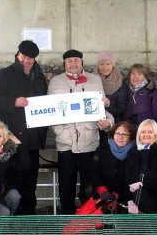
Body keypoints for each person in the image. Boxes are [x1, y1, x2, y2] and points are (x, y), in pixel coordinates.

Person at [0, 40, 48, 215]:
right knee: (14, 179)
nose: (26, 60)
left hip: (33, 138)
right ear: (17, 55)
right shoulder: (3, 75)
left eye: (30, 58)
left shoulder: (40, 77)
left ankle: (29, 214)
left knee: (31, 178)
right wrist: (13, 102)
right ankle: (13, 215)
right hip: (11, 138)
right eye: (24, 56)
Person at [48, 49, 113, 214]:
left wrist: (107, 122)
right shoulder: (55, 81)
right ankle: (68, 215)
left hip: (89, 139)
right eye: (69, 61)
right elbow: (49, 110)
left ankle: (88, 214)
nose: (73, 64)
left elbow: (101, 109)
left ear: (82, 62)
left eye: (76, 60)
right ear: (64, 64)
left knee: (89, 182)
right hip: (66, 142)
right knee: (66, 182)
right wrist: (59, 130)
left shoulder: (94, 80)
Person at [125, 119, 157, 214]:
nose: (146, 135)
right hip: (134, 198)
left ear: (156, 134)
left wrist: (143, 184)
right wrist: (129, 201)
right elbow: (127, 180)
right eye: (143, 132)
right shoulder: (133, 153)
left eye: (150, 132)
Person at [90, 121, 136, 212]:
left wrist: (128, 199)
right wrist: (102, 190)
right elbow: (95, 171)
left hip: (127, 196)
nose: (120, 137)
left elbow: (133, 178)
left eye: (124, 134)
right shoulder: (103, 148)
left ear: (130, 137)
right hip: (104, 193)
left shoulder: (135, 152)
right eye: (117, 133)